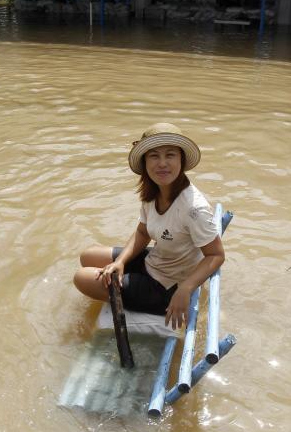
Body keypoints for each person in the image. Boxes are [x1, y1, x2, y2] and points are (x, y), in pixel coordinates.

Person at [73, 123, 225, 331]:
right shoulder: (153, 192)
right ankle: (125, 282)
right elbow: (143, 232)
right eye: (154, 156)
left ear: (181, 160)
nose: (162, 163)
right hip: (157, 260)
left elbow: (216, 255)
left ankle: (149, 300)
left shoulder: (194, 208)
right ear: (145, 162)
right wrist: (121, 262)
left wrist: (186, 289)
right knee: (87, 256)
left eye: (170, 155)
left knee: (81, 278)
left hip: (168, 285)